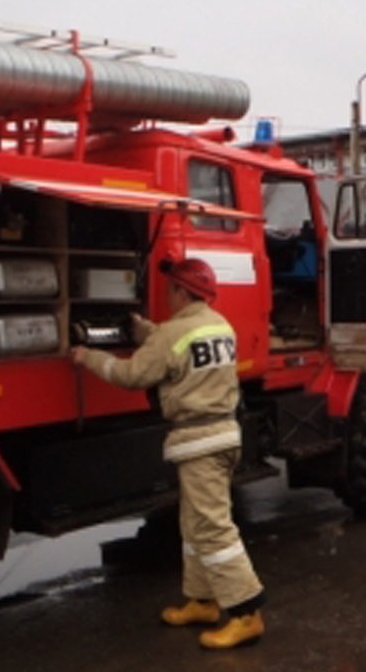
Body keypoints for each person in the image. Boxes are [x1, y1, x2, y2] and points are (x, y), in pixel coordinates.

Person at [71, 258, 265, 649]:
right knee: (194, 524)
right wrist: (148, 331)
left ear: (181, 292)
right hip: (224, 435)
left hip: (199, 441)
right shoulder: (218, 325)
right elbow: (180, 347)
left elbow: (132, 375)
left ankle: (246, 613)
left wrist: (85, 356)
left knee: (212, 528)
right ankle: (203, 601)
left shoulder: (173, 334)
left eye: (170, 289)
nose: (165, 295)